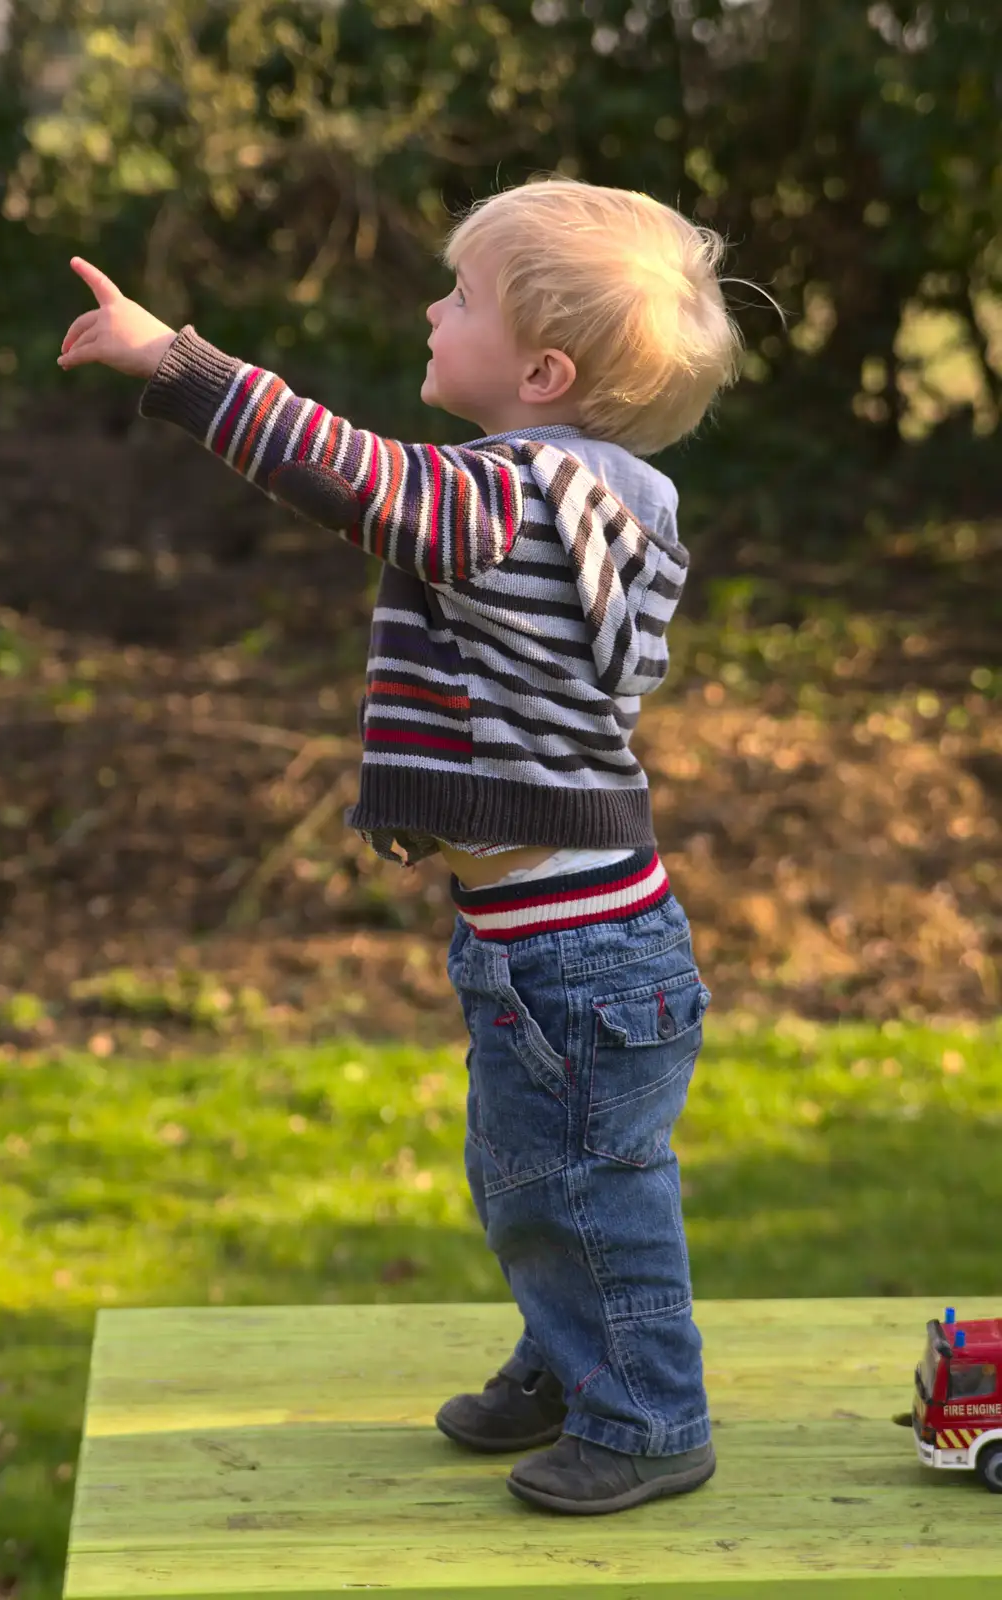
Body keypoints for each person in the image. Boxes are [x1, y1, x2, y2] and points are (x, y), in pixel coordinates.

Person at [58, 176, 742, 1516]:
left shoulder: (510, 497)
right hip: (556, 933)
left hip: (577, 949)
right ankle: (570, 1358)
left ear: (542, 371)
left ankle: (654, 1418)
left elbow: (352, 475)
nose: (433, 308)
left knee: (594, 1189)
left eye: (462, 296)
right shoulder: (596, 496)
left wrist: (174, 363)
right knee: (530, 1175)